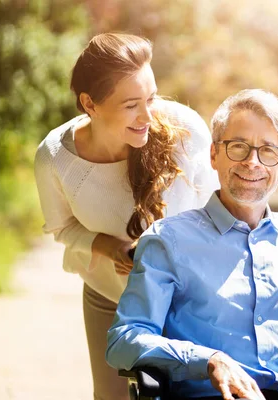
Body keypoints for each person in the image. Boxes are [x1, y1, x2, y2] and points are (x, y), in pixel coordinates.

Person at [106, 89, 278, 400]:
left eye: (268, 151)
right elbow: (125, 340)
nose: (252, 162)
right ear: (213, 154)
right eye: (238, 147)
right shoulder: (167, 241)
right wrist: (208, 360)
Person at [33, 33, 219, 400]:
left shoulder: (186, 132)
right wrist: (111, 247)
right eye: (132, 104)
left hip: (191, 302)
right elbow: (62, 227)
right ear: (90, 104)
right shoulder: (54, 157)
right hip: (110, 299)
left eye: (151, 98)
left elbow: (221, 212)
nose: (149, 115)